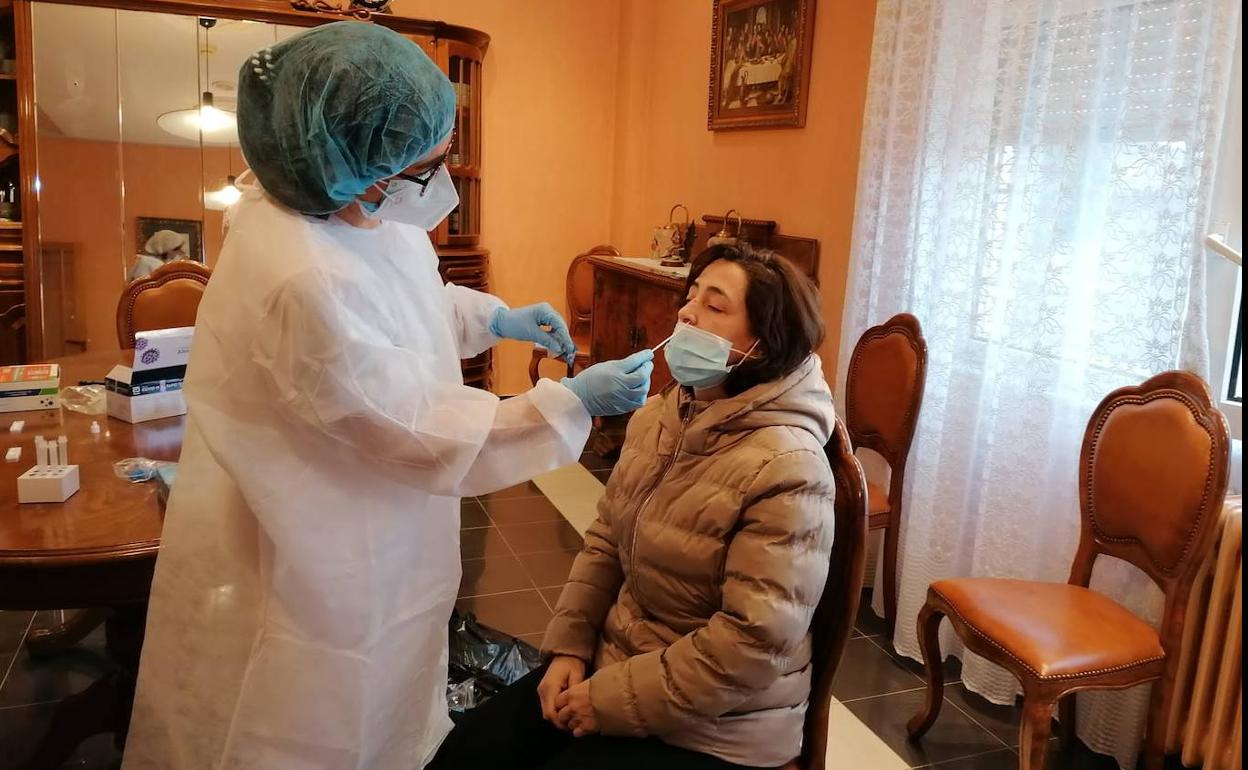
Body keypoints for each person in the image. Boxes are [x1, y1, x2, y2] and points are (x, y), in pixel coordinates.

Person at [121, 22, 652, 770]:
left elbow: (410, 308)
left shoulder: (361, 207)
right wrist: (570, 405)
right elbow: (411, 429)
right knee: (321, 714)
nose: (436, 189)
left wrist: (493, 318)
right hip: (328, 544)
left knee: (393, 697)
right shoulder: (298, 276)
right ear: (346, 159)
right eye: (422, 170)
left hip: (386, 527)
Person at [428, 244, 837, 770]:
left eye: (714, 306)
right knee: (466, 753)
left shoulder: (788, 465)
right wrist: (570, 648)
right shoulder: (662, 418)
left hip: (720, 725)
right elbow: (605, 542)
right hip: (621, 667)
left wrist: (606, 699)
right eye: (690, 298)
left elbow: (752, 642)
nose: (686, 313)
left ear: (762, 344)